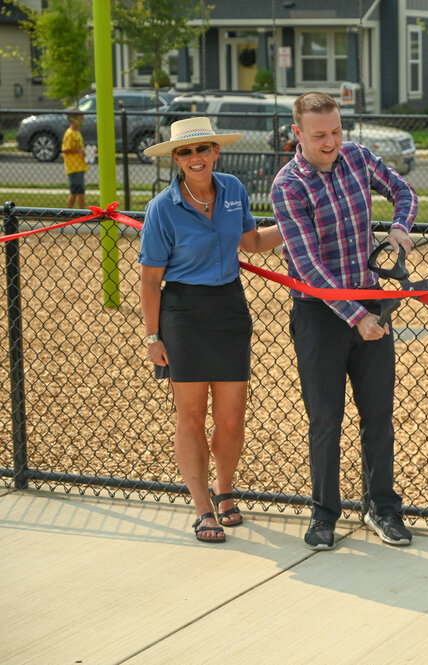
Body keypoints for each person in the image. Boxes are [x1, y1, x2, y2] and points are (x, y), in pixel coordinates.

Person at [270, 91, 417, 552]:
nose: (331, 141)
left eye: (336, 131)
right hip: (321, 316)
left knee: (378, 416)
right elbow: (308, 266)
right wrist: (356, 317)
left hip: (370, 304)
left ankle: (383, 509)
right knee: (325, 420)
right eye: (320, 136)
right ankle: (324, 514)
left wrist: (400, 225)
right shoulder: (287, 186)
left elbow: (404, 191)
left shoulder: (357, 157)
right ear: (298, 134)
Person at [138, 117, 283, 544]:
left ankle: (225, 490)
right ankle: (203, 507)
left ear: (216, 151)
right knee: (190, 416)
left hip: (229, 306)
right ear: (175, 159)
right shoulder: (163, 207)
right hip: (182, 311)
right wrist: (153, 337)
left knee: (232, 417)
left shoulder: (234, 190)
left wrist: (299, 229)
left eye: (202, 149)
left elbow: (252, 243)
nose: (195, 158)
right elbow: (149, 280)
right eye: (185, 152)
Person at [63, 110, 87, 208]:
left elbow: (79, 147)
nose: (82, 120)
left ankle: (81, 214)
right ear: (73, 121)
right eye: (80, 118)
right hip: (74, 168)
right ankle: (71, 214)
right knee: (76, 192)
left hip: (80, 166)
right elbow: (65, 150)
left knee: (79, 192)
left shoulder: (77, 132)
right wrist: (78, 151)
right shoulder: (70, 134)